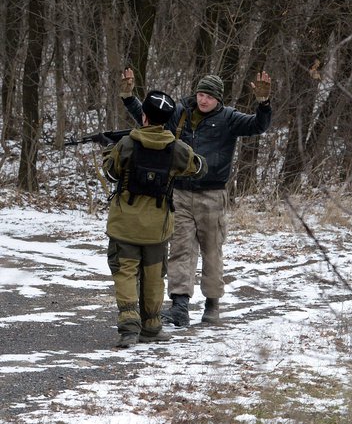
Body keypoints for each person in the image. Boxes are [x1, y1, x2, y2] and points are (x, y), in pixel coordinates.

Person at [118, 68, 272, 326]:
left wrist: (263, 104)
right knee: (180, 249)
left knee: (212, 250)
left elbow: (258, 126)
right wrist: (128, 96)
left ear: (218, 99)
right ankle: (180, 306)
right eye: (200, 94)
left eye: (209, 97)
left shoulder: (229, 118)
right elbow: (149, 119)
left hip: (212, 195)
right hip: (179, 192)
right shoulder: (180, 113)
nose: (203, 100)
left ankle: (212, 304)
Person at [102, 90, 207, 348]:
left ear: (144, 116)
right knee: (153, 277)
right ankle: (152, 327)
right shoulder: (177, 149)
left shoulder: (126, 144)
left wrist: (107, 149)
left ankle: (128, 328)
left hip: (124, 224)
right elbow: (199, 167)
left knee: (125, 273)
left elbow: (111, 174)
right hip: (157, 227)